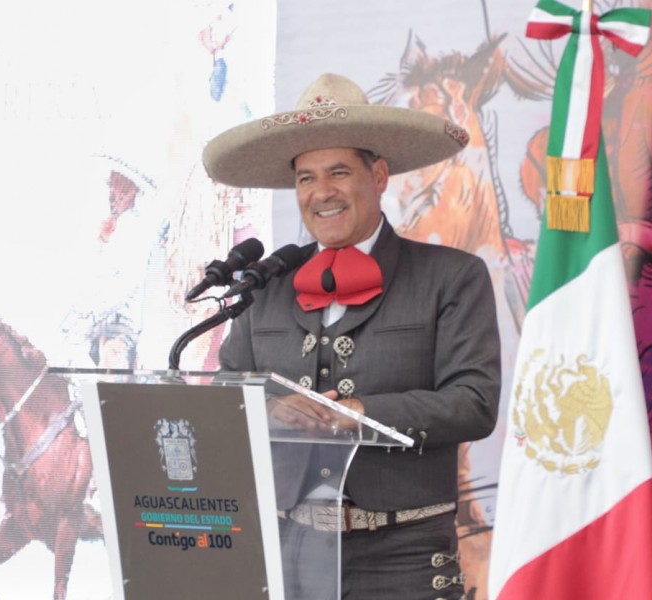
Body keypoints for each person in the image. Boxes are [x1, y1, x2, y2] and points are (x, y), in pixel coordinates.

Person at [203, 73, 501, 600]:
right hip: (287, 547)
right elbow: (227, 392)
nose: (322, 193)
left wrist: (362, 413)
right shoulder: (265, 286)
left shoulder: (452, 276)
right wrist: (271, 410)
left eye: (338, 172)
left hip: (405, 553)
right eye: (306, 178)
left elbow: (473, 403)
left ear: (378, 175)